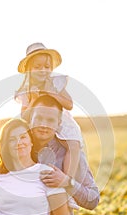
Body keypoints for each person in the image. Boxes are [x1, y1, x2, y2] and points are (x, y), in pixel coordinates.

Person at [0, 95, 100, 215]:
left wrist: (66, 182)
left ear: (59, 123)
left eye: (51, 120)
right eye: (39, 118)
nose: (44, 125)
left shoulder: (71, 155)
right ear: (30, 118)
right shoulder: (18, 149)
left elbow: (93, 199)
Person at [15, 42, 83, 179]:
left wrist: (50, 93)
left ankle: (67, 179)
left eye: (47, 67)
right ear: (29, 69)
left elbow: (69, 104)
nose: (43, 70)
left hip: (59, 119)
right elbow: (24, 115)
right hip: (37, 122)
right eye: (37, 67)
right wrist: (33, 99)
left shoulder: (56, 83)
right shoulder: (26, 89)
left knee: (73, 144)